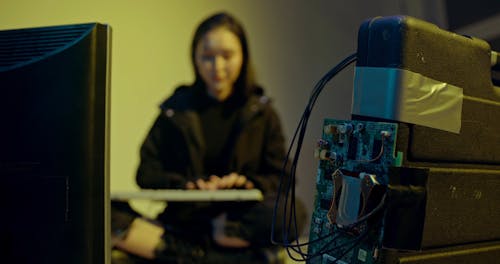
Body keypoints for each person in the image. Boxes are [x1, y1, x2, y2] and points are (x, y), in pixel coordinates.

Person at [112, 11, 305, 264]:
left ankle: (182, 253)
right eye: (207, 57)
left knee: (294, 213)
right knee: (103, 212)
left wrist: (246, 182)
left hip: (231, 221)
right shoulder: (176, 110)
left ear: (243, 57)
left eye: (227, 56)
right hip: (185, 219)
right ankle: (221, 257)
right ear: (194, 58)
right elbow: (146, 173)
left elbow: (284, 177)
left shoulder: (261, 112)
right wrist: (188, 185)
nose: (217, 67)